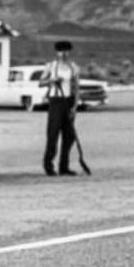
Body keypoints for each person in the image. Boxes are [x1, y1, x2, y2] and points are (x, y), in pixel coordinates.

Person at [40, 41, 80, 176]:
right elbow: (40, 82)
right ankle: (48, 165)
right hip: (56, 102)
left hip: (68, 101)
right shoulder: (51, 66)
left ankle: (64, 166)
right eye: (61, 51)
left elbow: (76, 87)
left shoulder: (73, 67)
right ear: (57, 53)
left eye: (66, 51)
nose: (63, 54)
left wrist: (75, 106)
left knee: (69, 136)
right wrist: (52, 80)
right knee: (53, 134)